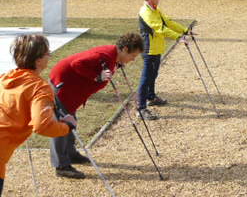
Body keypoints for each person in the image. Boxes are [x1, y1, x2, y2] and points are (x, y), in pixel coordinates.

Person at [50, 33, 143, 179]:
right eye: (133, 56)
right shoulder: (105, 55)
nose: (133, 60)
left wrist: (115, 66)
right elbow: (77, 64)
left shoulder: (113, 56)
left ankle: (70, 154)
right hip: (63, 87)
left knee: (71, 121)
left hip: (71, 90)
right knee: (62, 125)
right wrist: (97, 76)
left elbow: (100, 67)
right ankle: (61, 165)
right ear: (125, 49)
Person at [0, 35, 76, 195]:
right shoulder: (40, 87)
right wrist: (67, 126)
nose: (50, 56)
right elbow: (43, 126)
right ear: (38, 59)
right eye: (48, 53)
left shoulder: (5, 78)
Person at [138, 0, 188, 119]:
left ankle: (151, 97)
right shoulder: (146, 12)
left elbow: (168, 23)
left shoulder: (156, 9)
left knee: (153, 75)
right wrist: (178, 37)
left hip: (157, 48)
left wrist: (184, 30)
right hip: (149, 50)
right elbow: (160, 28)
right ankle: (141, 109)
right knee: (146, 78)